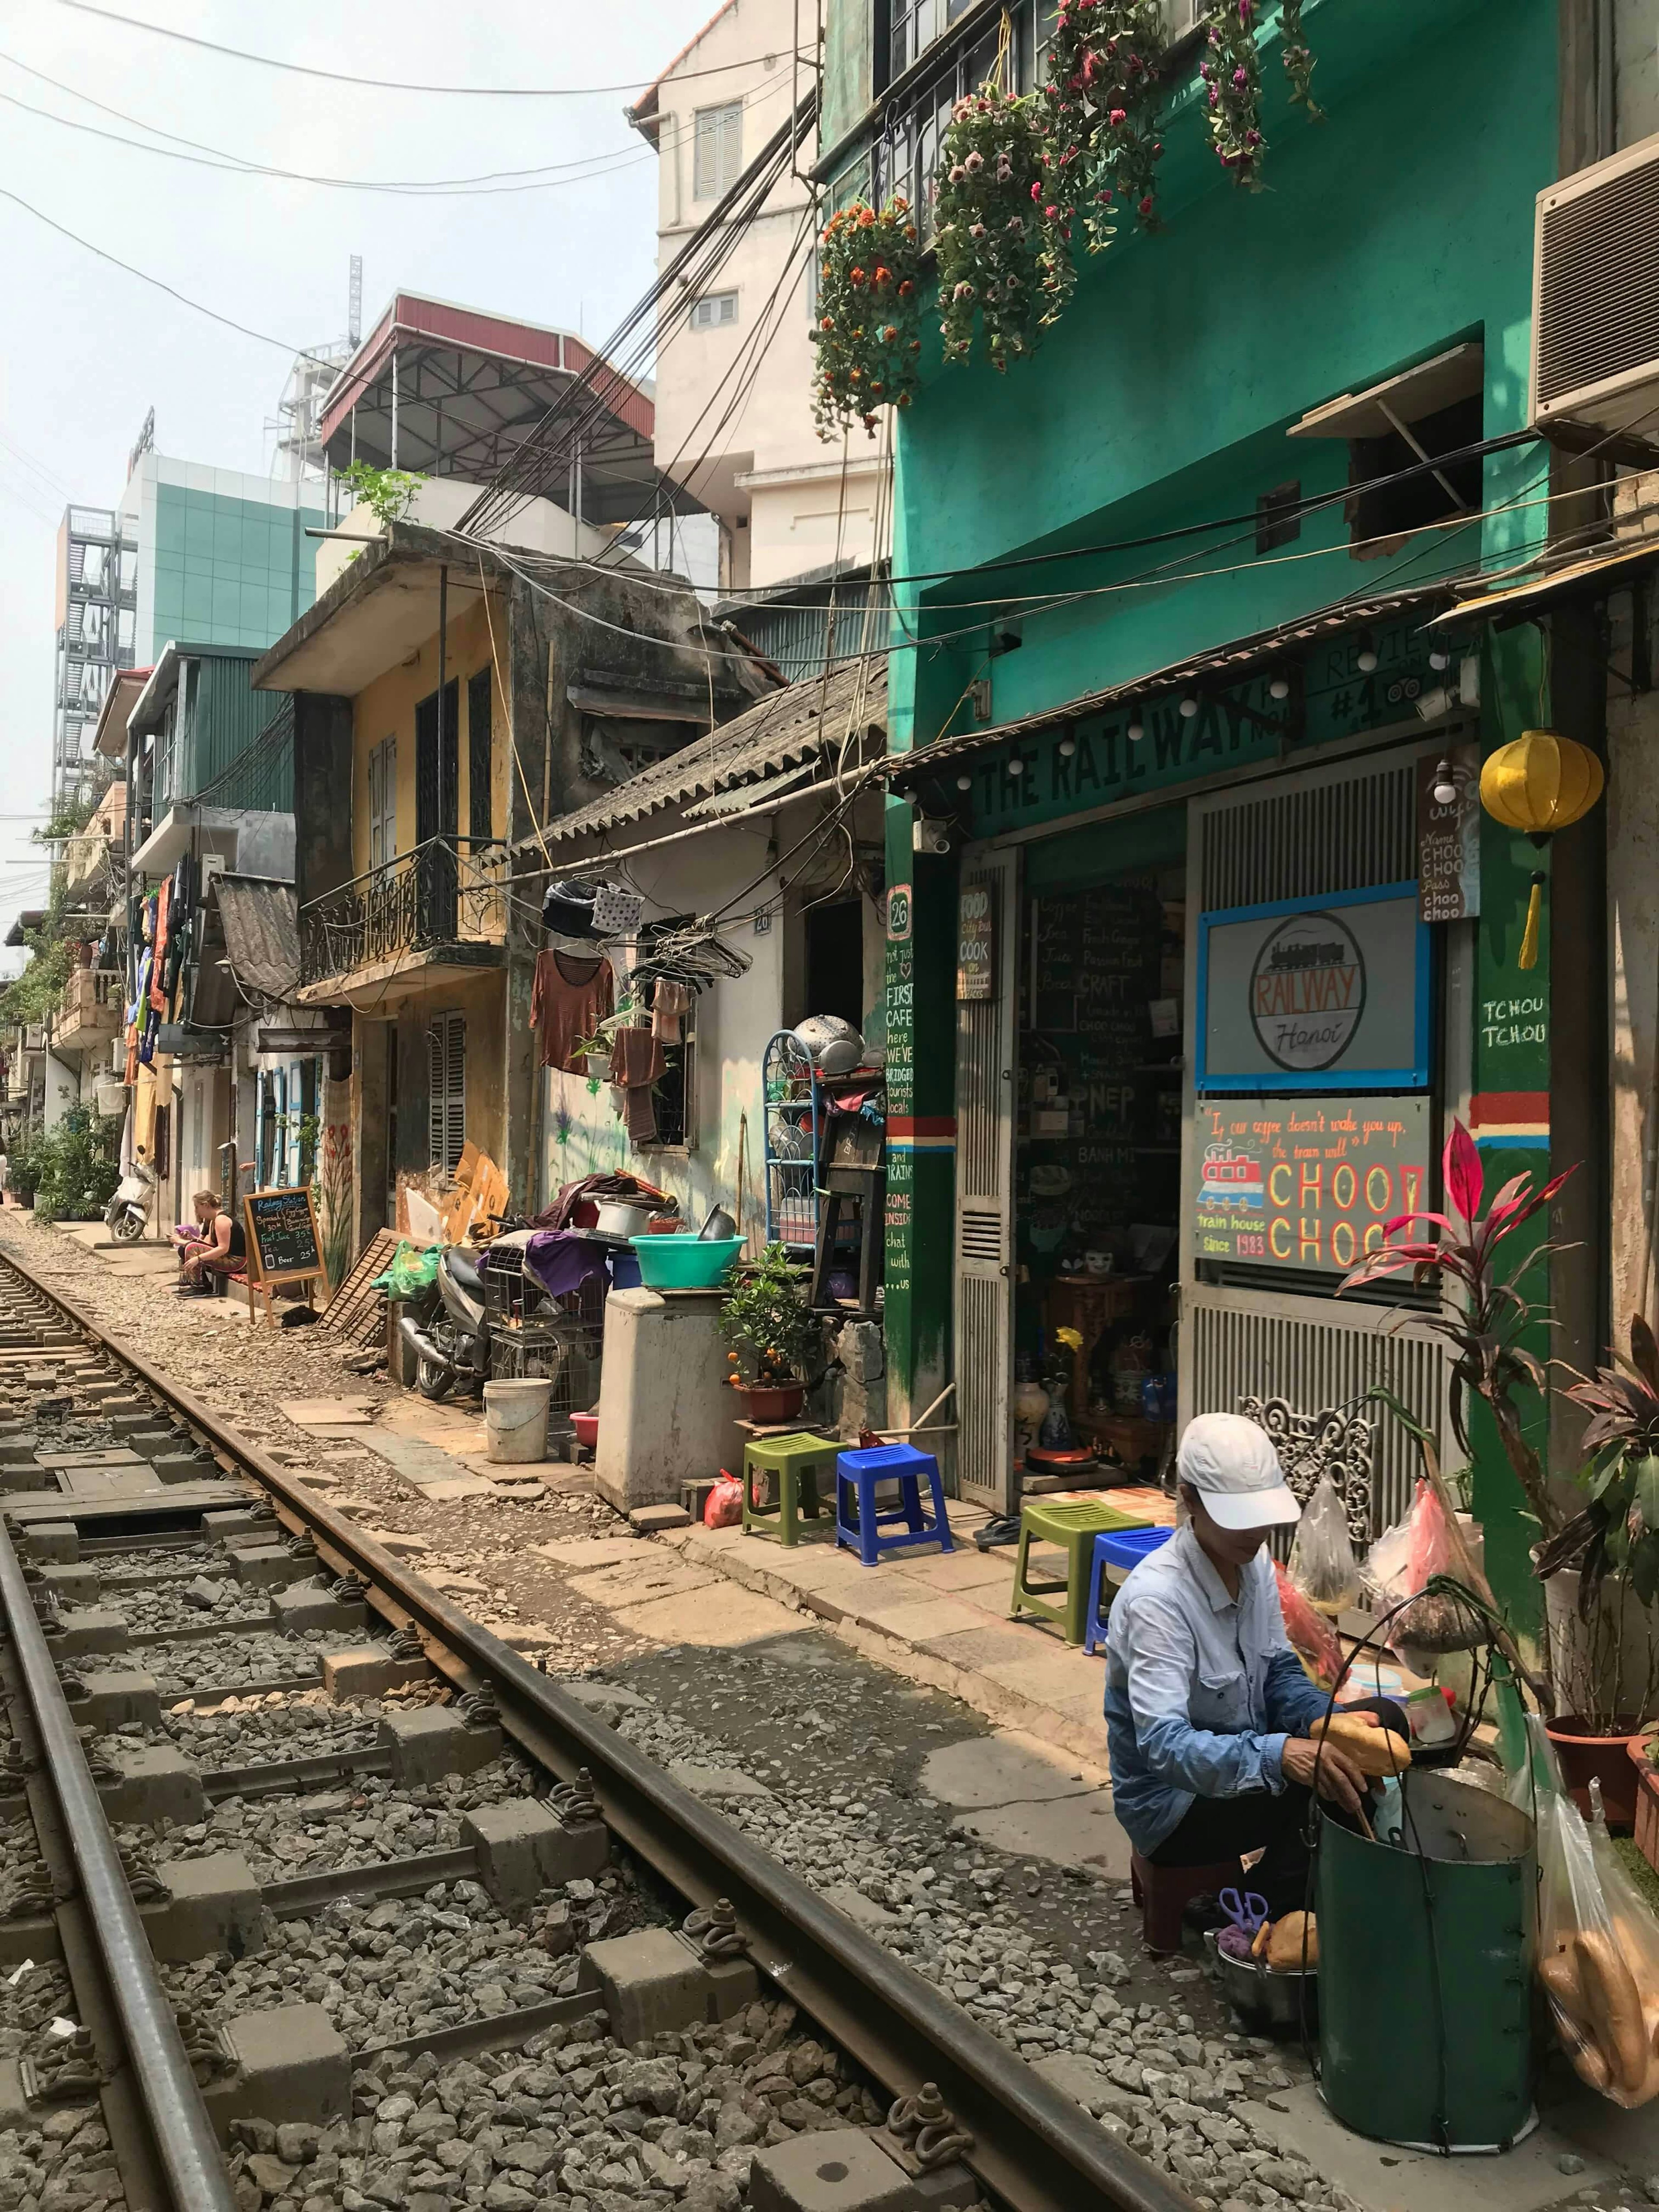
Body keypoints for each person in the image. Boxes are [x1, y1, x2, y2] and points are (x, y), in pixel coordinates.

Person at [1104, 1411, 1406, 1920]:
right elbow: (1164, 1746)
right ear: (1190, 1499)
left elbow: (1279, 1670)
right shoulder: (1157, 1600)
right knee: (1330, 1782)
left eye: (1260, 1513)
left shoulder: (1255, 1562)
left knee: (1384, 1723)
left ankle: (1306, 1895)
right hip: (1175, 1806)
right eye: (1236, 1515)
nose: (1256, 1531)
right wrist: (1282, 1754)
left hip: (1245, 1761)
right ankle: (1250, 1912)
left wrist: (1320, 1718)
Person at [173, 1190, 246, 1296]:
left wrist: (198, 1258)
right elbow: (210, 1246)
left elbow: (223, 1248)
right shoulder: (213, 1220)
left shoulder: (222, 1220)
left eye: (197, 1207)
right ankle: (200, 1283)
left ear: (206, 1205)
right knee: (188, 1247)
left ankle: (199, 1286)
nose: (197, 1211)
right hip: (228, 1257)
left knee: (192, 1247)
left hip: (236, 1261)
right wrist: (192, 1238)